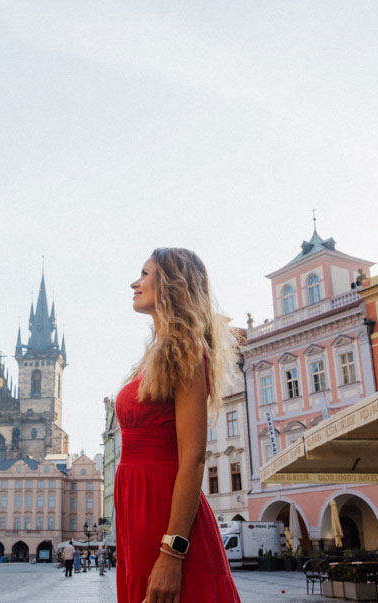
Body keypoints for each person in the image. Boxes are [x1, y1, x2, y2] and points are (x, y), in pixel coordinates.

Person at [115, 249, 241, 603]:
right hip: (137, 511)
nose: (134, 282)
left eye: (144, 274)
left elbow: (194, 457)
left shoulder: (185, 349)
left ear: (171, 284)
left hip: (163, 508)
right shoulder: (154, 353)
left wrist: (172, 553)